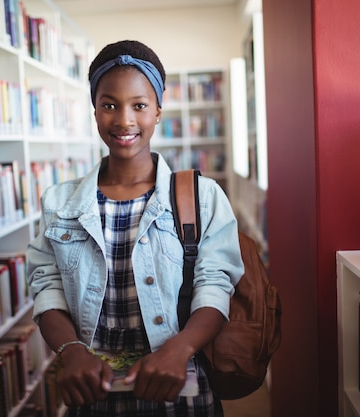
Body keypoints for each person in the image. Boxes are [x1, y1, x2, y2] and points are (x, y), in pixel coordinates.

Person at [26, 40, 244, 417]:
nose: (124, 120)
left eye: (139, 105)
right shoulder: (60, 203)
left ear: (158, 111)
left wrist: (179, 348)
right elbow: (47, 285)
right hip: (93, 396)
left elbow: (215, 283)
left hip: (181, 392)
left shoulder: (201, 197)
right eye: (109, 104)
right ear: (94, 111)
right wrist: (70, 350)